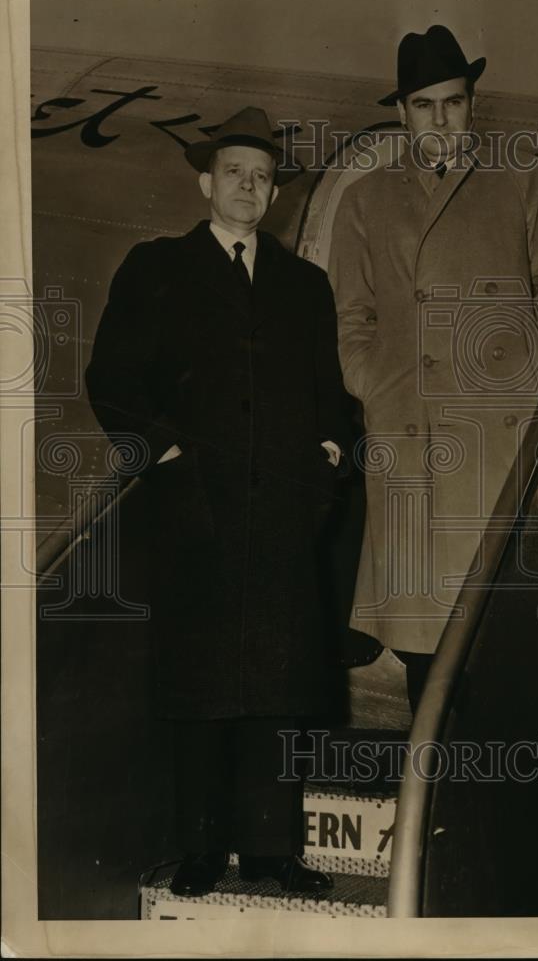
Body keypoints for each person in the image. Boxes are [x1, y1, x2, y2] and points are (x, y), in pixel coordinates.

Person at [86, 107, 349, 897]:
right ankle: (201, 849)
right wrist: (162, 456)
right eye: (234, 171)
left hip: (279, 516)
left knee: (275, 687)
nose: (248, 186)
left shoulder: (305, 285)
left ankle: (272, 851)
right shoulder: (156, 266)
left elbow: (327, 392)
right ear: (205, 182)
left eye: (262, 176)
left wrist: (329, 454)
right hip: (192, 511)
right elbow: (111, 381)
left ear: (272, 195)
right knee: (200, 686)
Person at [327, 25, 538, 711]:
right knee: (424, 639)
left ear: (472, 105)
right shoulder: (364, 198)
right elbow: (348, 315)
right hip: (410, 434)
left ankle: (491, 801)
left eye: (453, 102)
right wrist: (372, 382)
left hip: (495, 439)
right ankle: (436, 806)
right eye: (424, 104)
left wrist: (533, 367)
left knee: (496, 634)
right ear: (400, 112)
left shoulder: (521, 177)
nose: (440, 118)